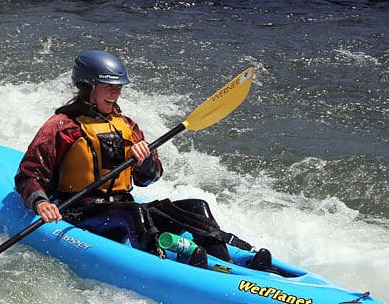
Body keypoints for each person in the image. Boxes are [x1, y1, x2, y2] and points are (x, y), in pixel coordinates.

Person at [15, 50, 264, 270]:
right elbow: (29, 175)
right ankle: (159, 265)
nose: (116, 93)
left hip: (123, 207)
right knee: (133, 213)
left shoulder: (127, 125)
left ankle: (226, 265)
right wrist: (40, 203)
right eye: (109, 86)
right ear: (88, 87)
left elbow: (147, 179)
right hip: (79, 211)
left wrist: (143, 162)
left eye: (119, 87)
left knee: (196, 207)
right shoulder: (62, 126)